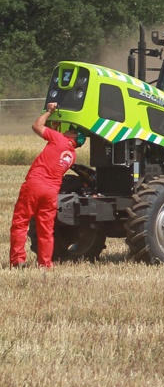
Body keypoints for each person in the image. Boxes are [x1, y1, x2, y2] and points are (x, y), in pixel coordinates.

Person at [9, 103, 81, 268]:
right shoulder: (72, 155)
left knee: (20, 223)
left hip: (35, 184)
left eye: (69, 130)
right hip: (51, 192)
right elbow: (56, 148)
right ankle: (46, 263)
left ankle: (18, 260)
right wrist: (55, 128)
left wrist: (49, 111)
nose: (66, 130)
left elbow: (37, 126)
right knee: (46, 229)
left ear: (74, 136)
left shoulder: (59, 139)